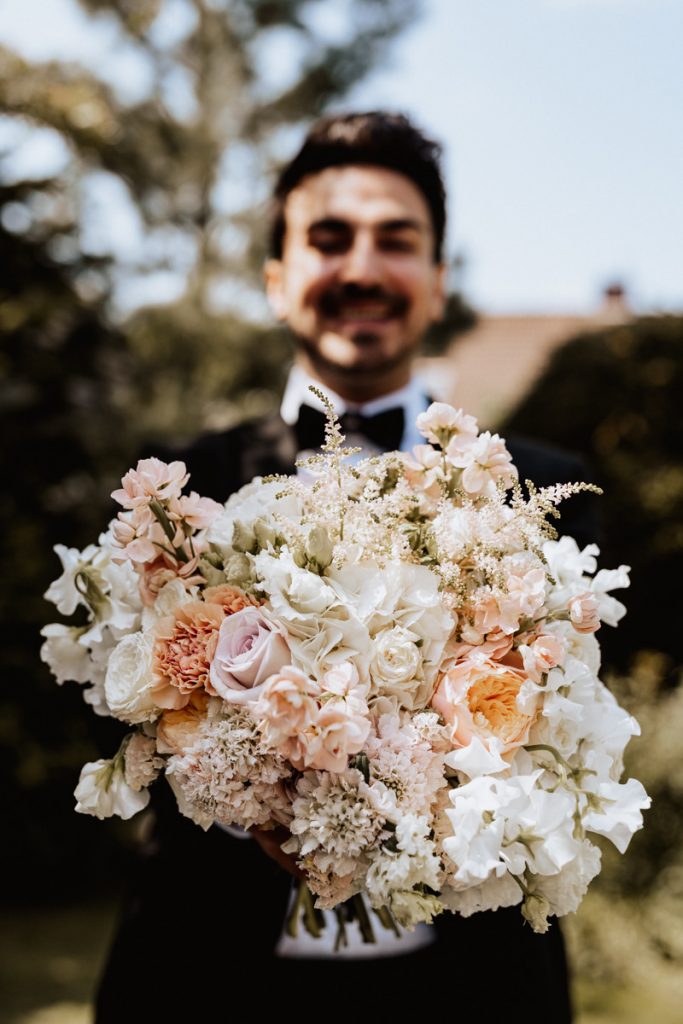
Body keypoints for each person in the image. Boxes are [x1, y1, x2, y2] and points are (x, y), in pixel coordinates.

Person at [94, 111, 595, 1021]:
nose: (361, 268)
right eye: (328, 239)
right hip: (211, 978)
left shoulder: (540, 490)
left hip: (473, 991)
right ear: (279, 280)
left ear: (437, 282)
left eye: (394, 241)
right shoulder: (170, 496)